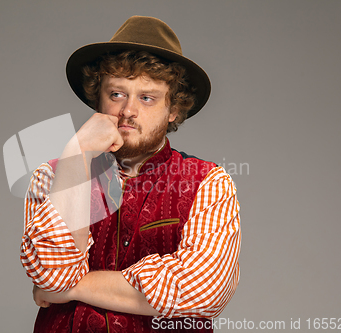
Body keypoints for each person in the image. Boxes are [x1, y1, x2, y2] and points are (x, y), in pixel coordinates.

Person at [20, 16, 241, 332]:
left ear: (173, 109)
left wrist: (70, 290)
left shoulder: (209, 183)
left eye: (146, 97)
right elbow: (54, 273)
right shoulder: (52, 176)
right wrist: (76, 154)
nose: (128, 111)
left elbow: (201, 291)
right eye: (116, 94)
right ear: (99, 100)